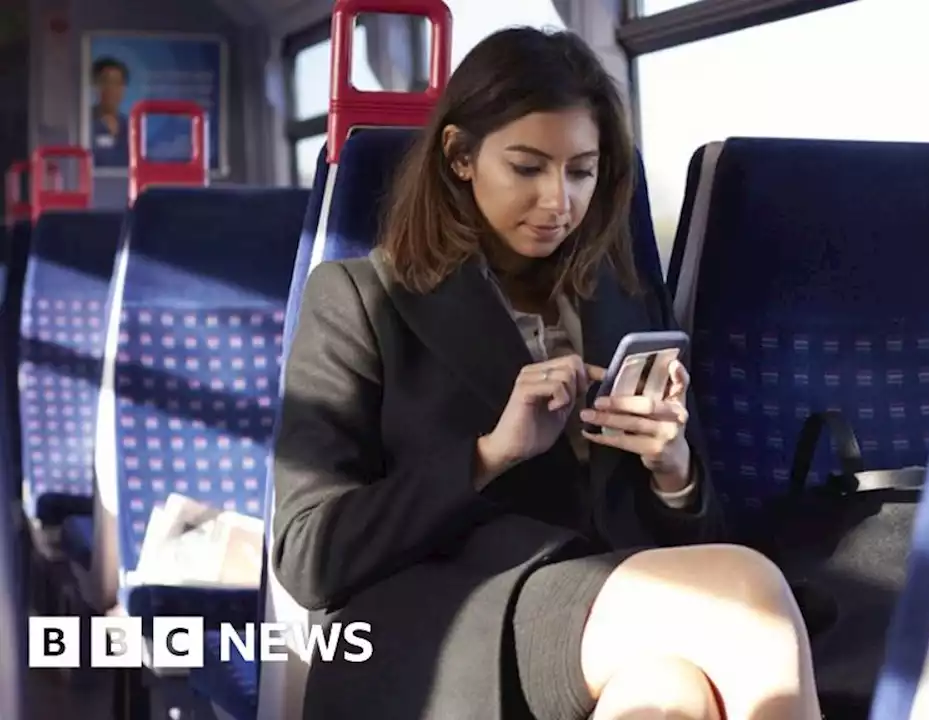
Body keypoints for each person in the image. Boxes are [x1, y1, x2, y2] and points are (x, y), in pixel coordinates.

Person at [271, 27, 822, 720]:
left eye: (581, 171)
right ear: (460, 157)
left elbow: (690, 542)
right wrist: (487, 455)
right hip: (440, 623)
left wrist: (672, 469)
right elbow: (307, 555)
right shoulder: (359, 298)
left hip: (601, 610)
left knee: (667, 695)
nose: (558, 201)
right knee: (747, 597)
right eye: (528, 168)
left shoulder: (622, 297)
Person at [89, 57, 130, 168]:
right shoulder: (85, 122)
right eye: (106, 82)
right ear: (96, 85)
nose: (111, 89)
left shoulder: (130, 126)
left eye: (117, 83)